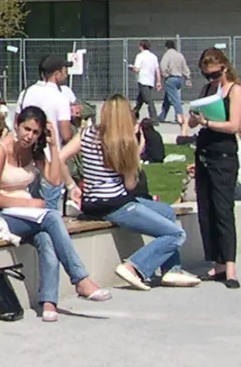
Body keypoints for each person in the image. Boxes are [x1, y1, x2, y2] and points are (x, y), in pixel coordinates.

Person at [0, 107, 112, 320]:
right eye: (26, 129)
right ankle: (80, 279)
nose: (29, 136)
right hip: (3, 214)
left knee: (46, 239)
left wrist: (53, 144)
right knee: (52, 216)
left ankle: (49, 303)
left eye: (35, 132)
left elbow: (55, 180)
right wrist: (27, 203)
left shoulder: (33, 149)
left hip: (27, 215)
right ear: (17, 125)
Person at [74, 97, 200, 290]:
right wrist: (136, 151)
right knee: (176, 234)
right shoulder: (123, 141)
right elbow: (131, 184)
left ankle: (172, 270)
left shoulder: (87, 133)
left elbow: (62, 156)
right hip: (116, 204)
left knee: (166, 211)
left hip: (92, 202)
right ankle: (133, 267)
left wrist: (70, 185)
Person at [180, 48, 241, 289]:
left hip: (224, 154)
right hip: (205, 152)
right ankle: (217, 264)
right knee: (206, 210)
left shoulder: (235, 90)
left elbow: (233, 125)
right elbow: (192, 119)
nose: (211, 80)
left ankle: (230, 267)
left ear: (225, 69)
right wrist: (192, 119)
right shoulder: (207, 90)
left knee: (223, 210)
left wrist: (207, 122)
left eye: (214, 74)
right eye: (206, 75)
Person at [18, 54, 77, 147]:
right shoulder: (61, 98)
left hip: (28, 151)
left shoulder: (26, 92)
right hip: (52, 154)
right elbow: (66, 136)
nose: (66, 75)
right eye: (65, 72)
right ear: (57, 74)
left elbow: (17, 122)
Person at [159, 40, 190, 121]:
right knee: (167, 99)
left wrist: (165, 75)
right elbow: (185, 67)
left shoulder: (167, 55)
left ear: (166, 47)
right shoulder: (179, 55)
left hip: (171, 79)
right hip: (179, 79)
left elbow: (163, 66)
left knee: (175, 99)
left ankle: (179, 116)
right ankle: (162, 116)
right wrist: (187, 77)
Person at [130, 40, 161, 121]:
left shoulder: (140, 56)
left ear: (141, 46)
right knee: (140, 99)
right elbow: (157, 69)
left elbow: (137, 69)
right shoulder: (153, 56)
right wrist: (158, 81)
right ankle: (133, 114)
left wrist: (131, 68)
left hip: (143, 80)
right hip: (150, 80)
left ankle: (154, 117)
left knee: (148, 100)